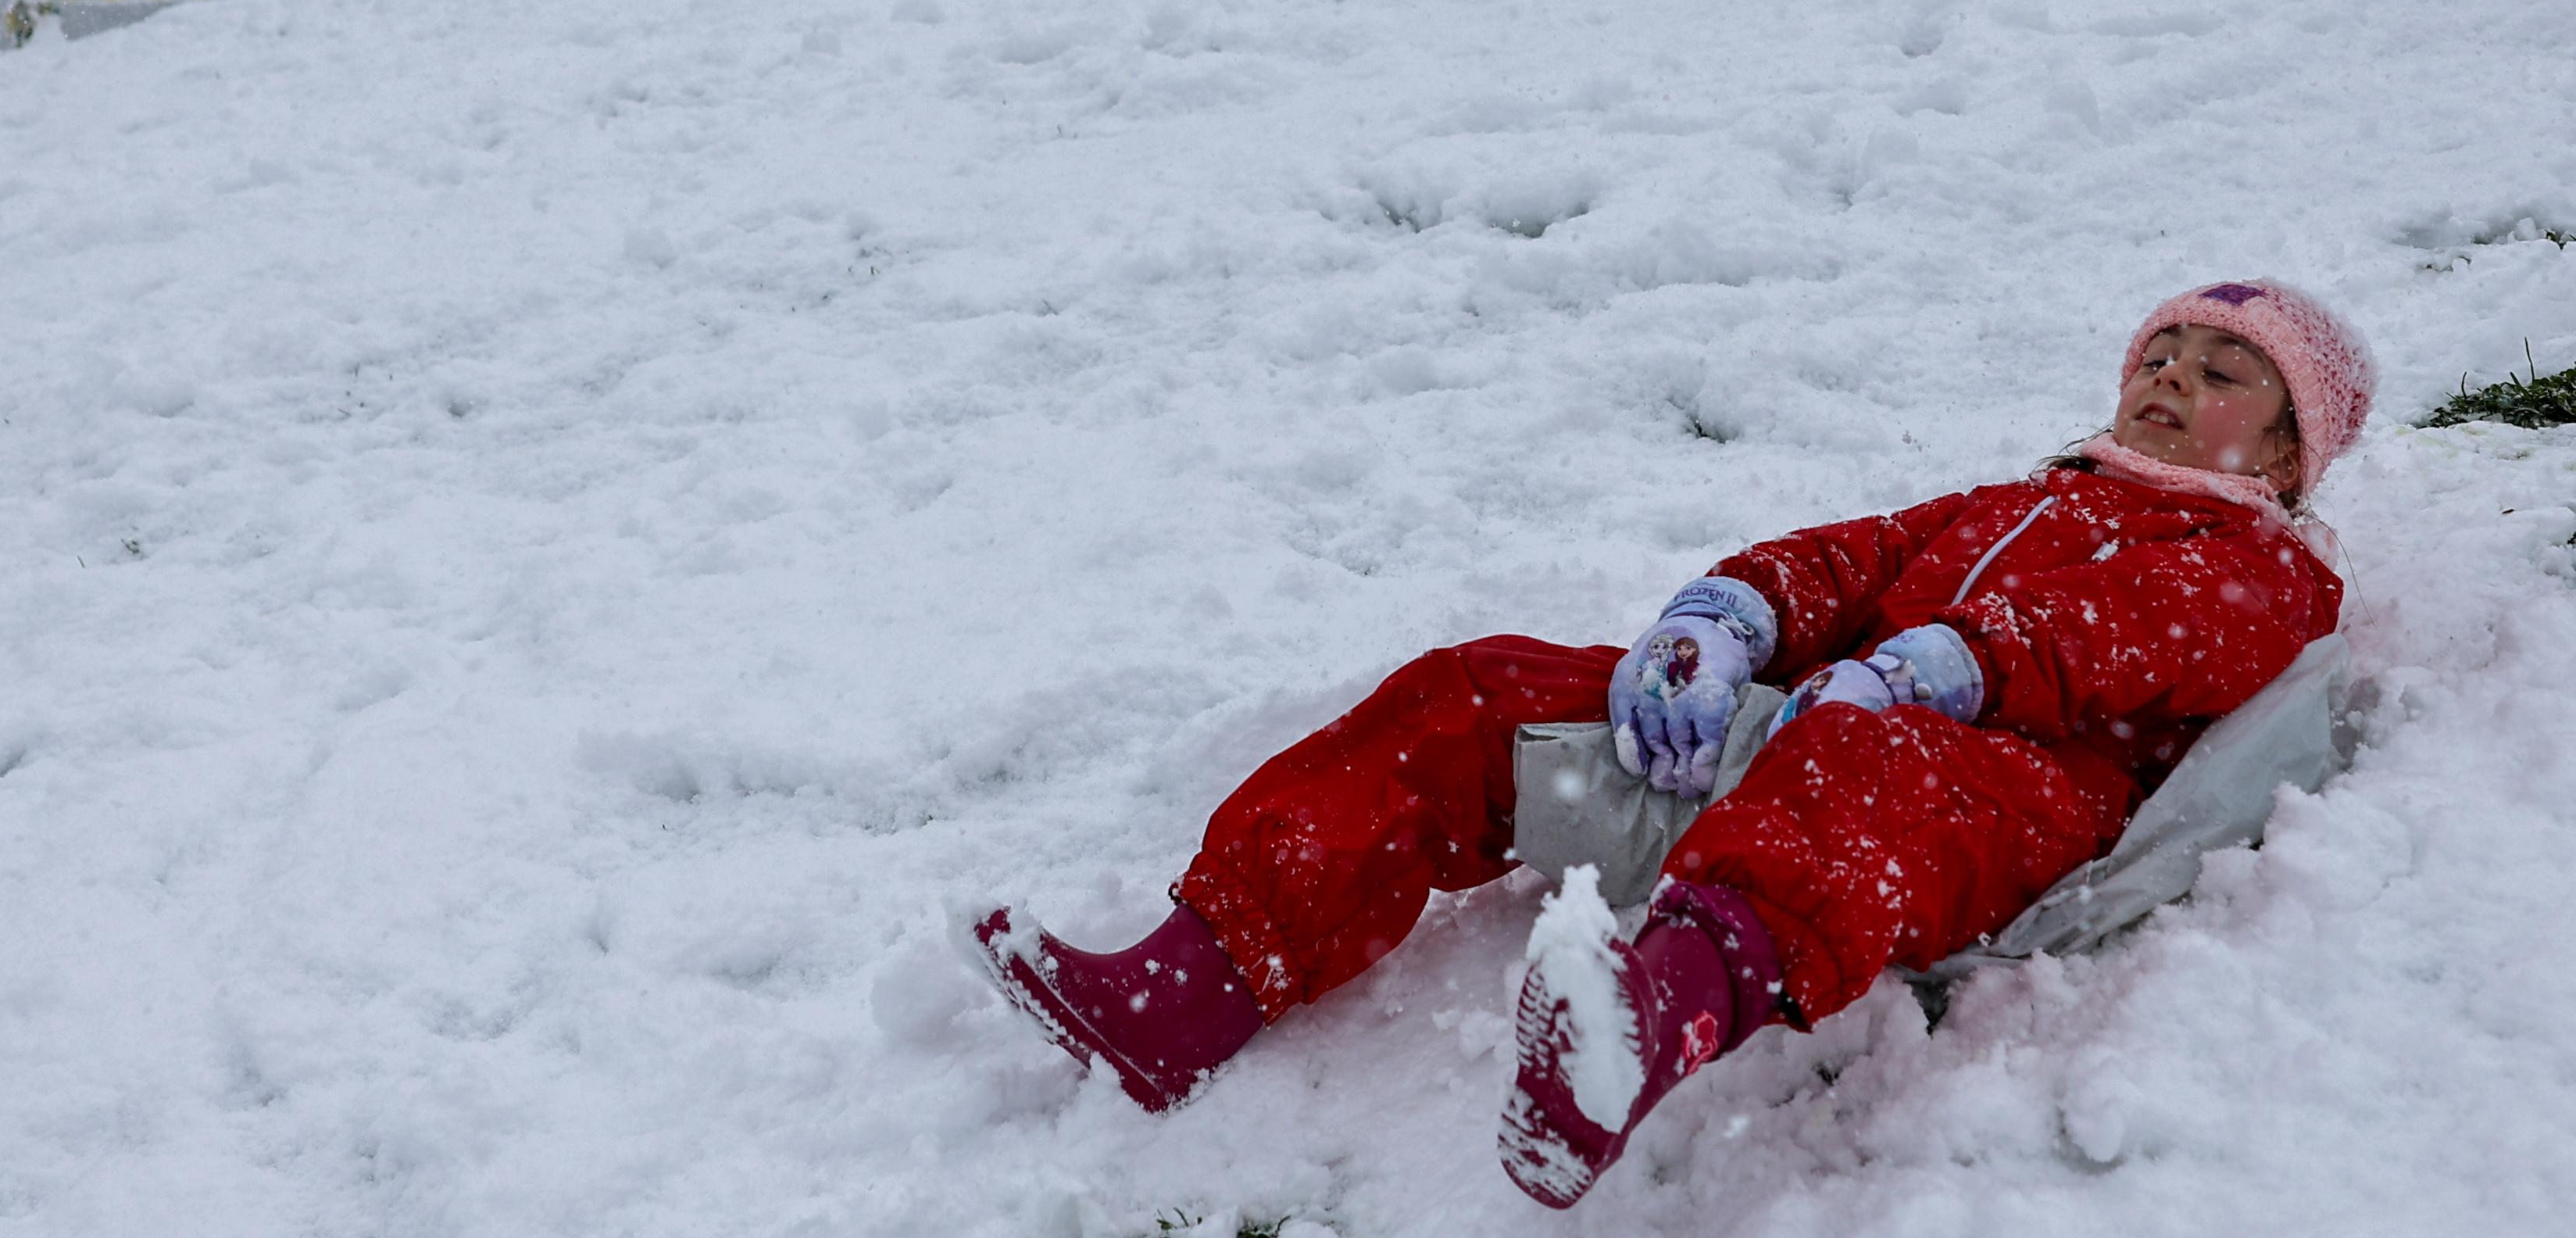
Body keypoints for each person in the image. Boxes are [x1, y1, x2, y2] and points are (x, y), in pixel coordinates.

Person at [973, 280, 2371, 1209]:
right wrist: (1730, 615)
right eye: (2161, 354)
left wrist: (1949, 666)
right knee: (1480, 688)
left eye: (2227, 373)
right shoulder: (2011, 495)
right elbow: (1850, 556)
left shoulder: (2260, 560)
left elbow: (2142, 638)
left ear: (2293, 451)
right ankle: (1189, 984)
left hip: (1983, 800)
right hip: (1804, 746)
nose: (2173, 379)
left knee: (1856, 772)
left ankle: (1643, 1027)